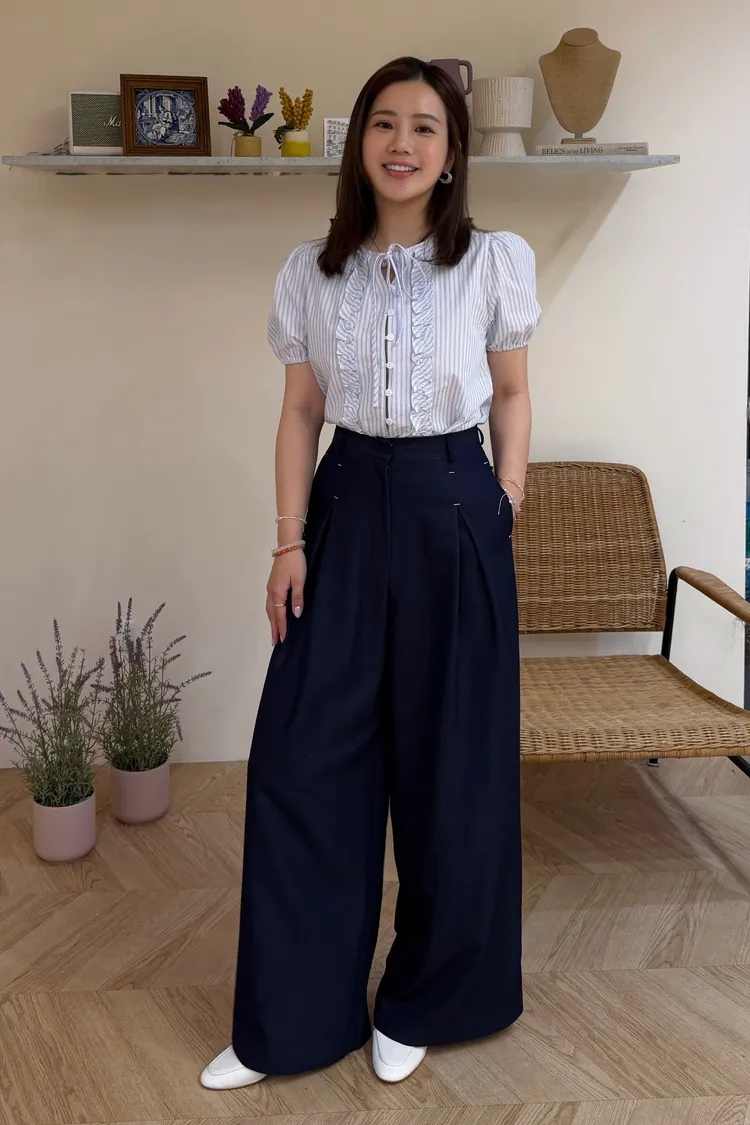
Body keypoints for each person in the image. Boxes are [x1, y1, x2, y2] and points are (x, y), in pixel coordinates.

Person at [200, 54, 541, 1090]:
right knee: (303, 759)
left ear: (451, 154)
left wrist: (504, 498)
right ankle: (292, 1018)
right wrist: (287, 541)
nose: (403, 142)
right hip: (345, 507)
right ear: (359, 146)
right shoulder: (313, 272)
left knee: (454, 768)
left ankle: (428, 998)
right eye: (384, 123)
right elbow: (302, 412)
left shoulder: (492, 264)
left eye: (425, 126)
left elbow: (512, 393)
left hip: (455, 506)